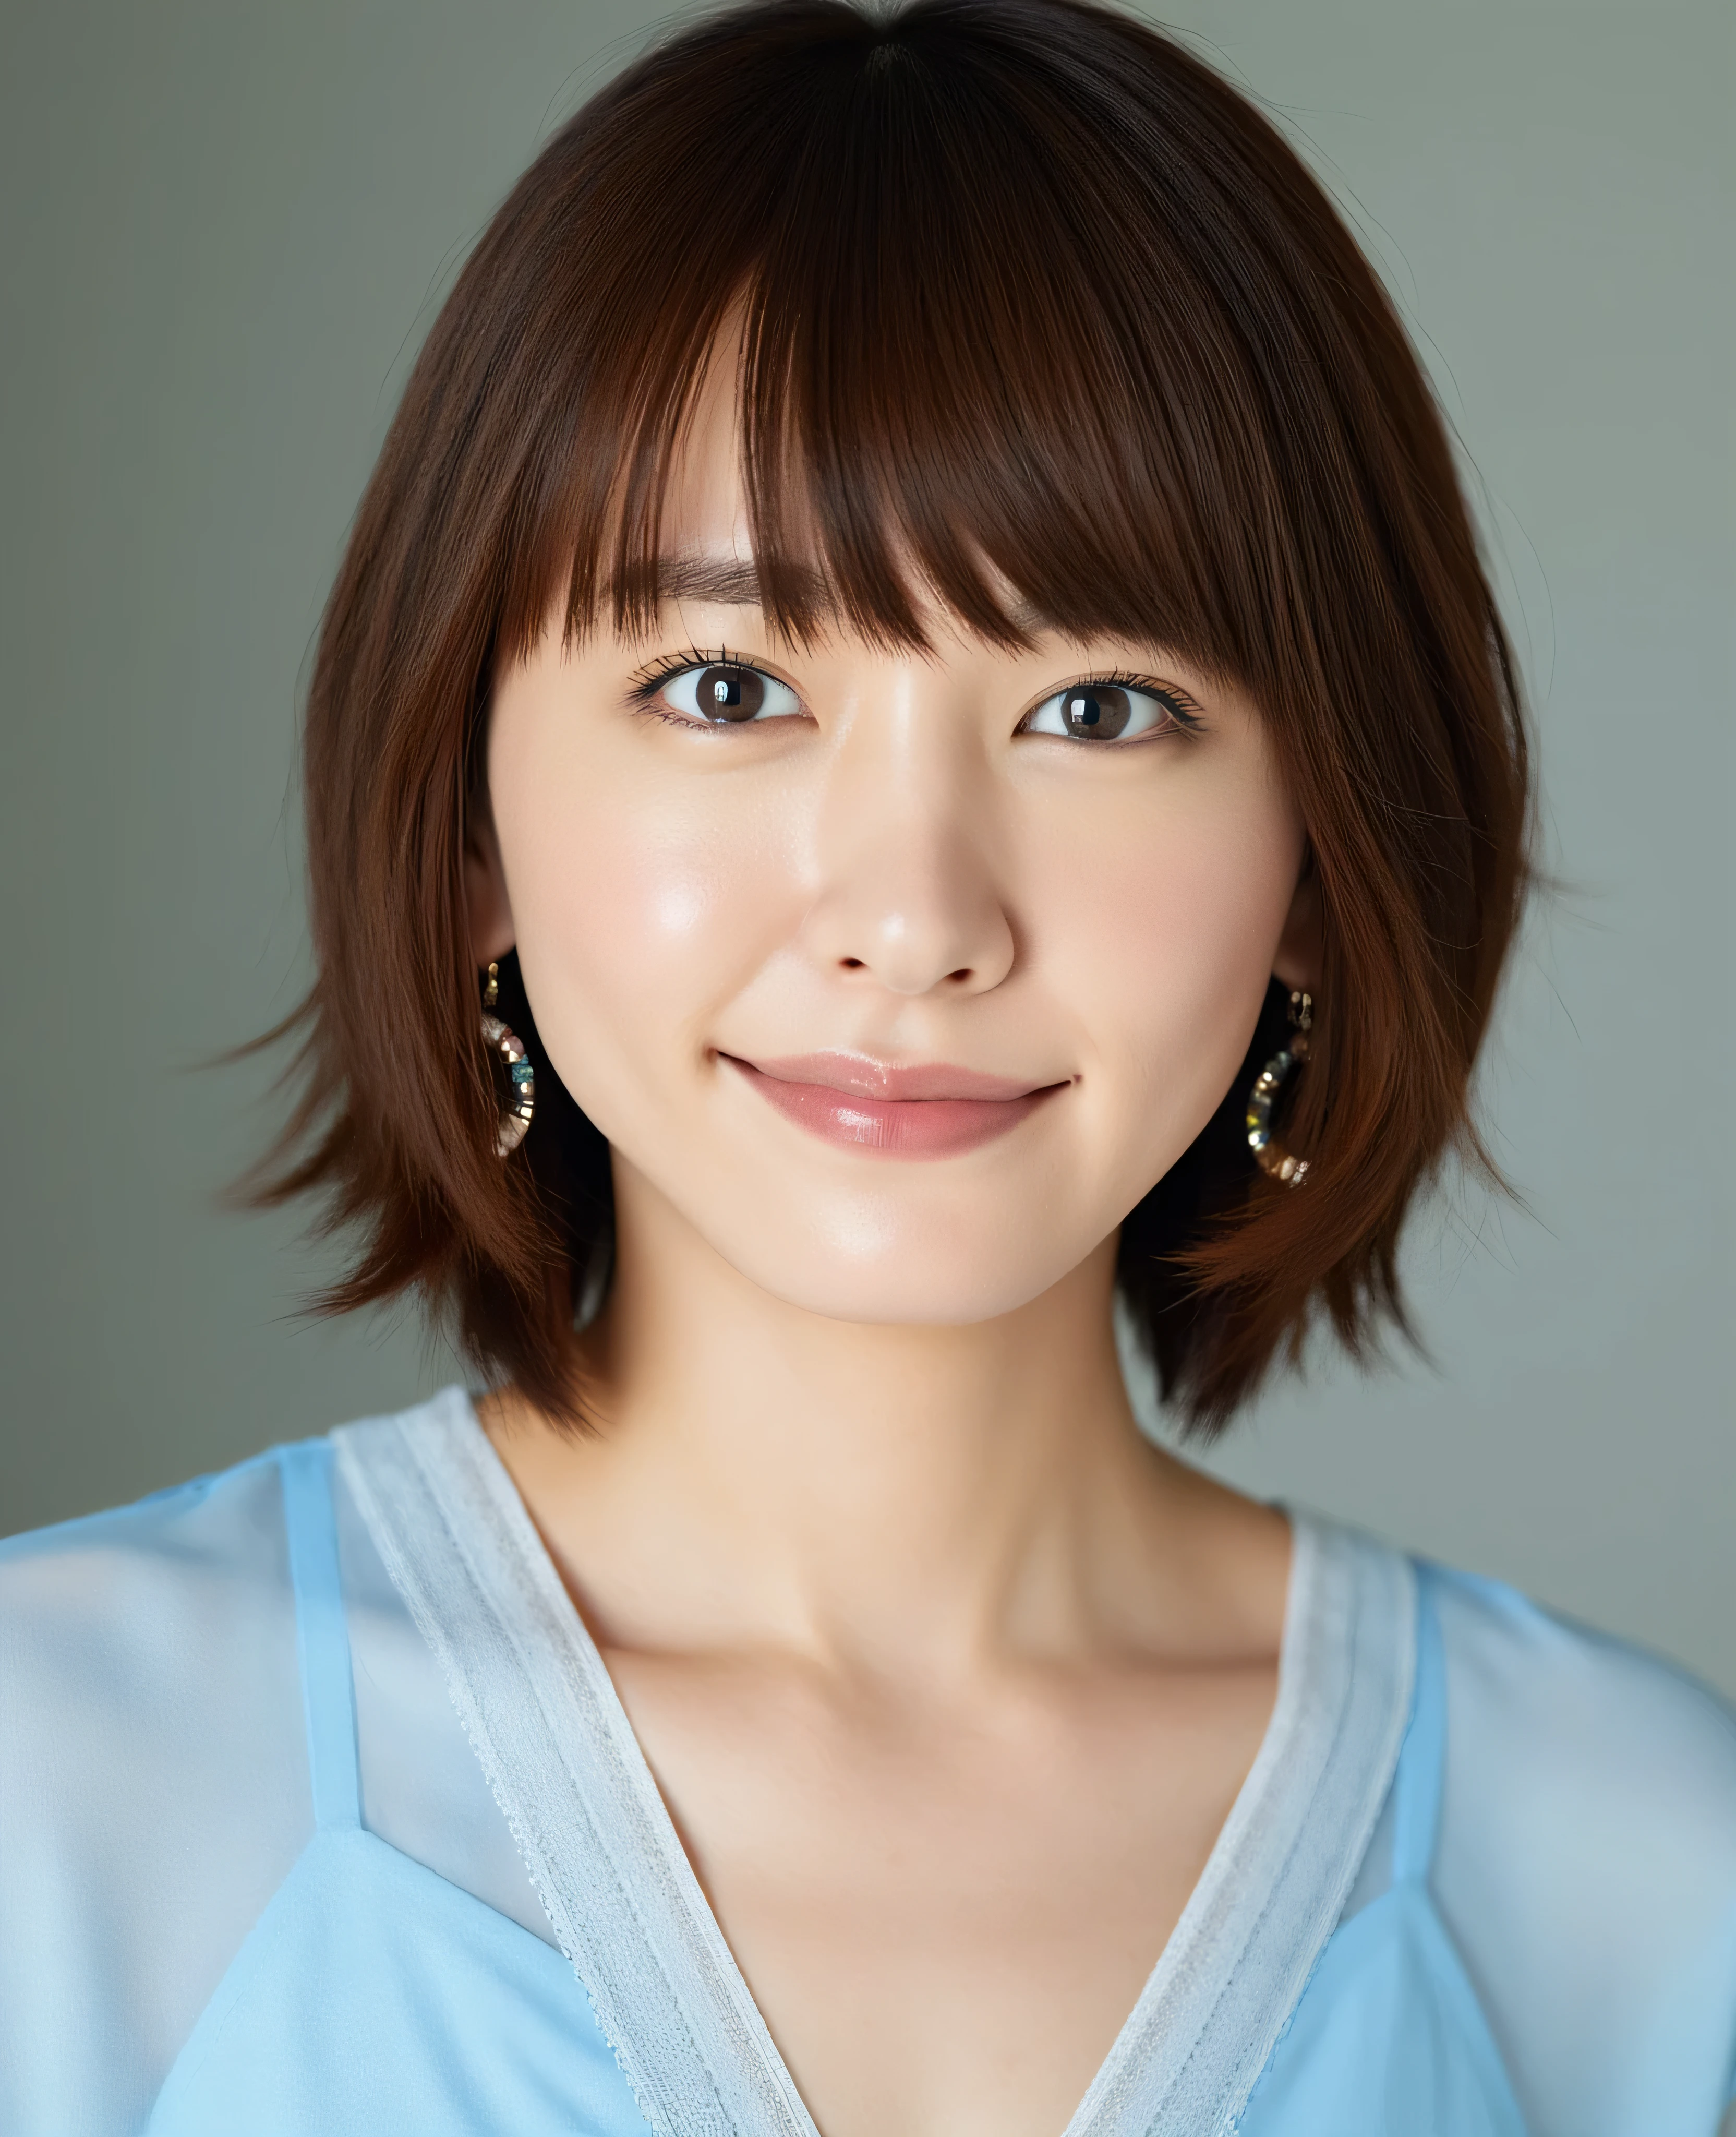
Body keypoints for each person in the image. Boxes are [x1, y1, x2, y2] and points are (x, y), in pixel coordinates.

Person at [3, 1, 1733, 2131]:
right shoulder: (59, 1779)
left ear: (1318, 847)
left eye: (1099, 708)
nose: (914, 915)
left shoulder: (1648, 1876)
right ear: (467, 830)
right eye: (726, 683)